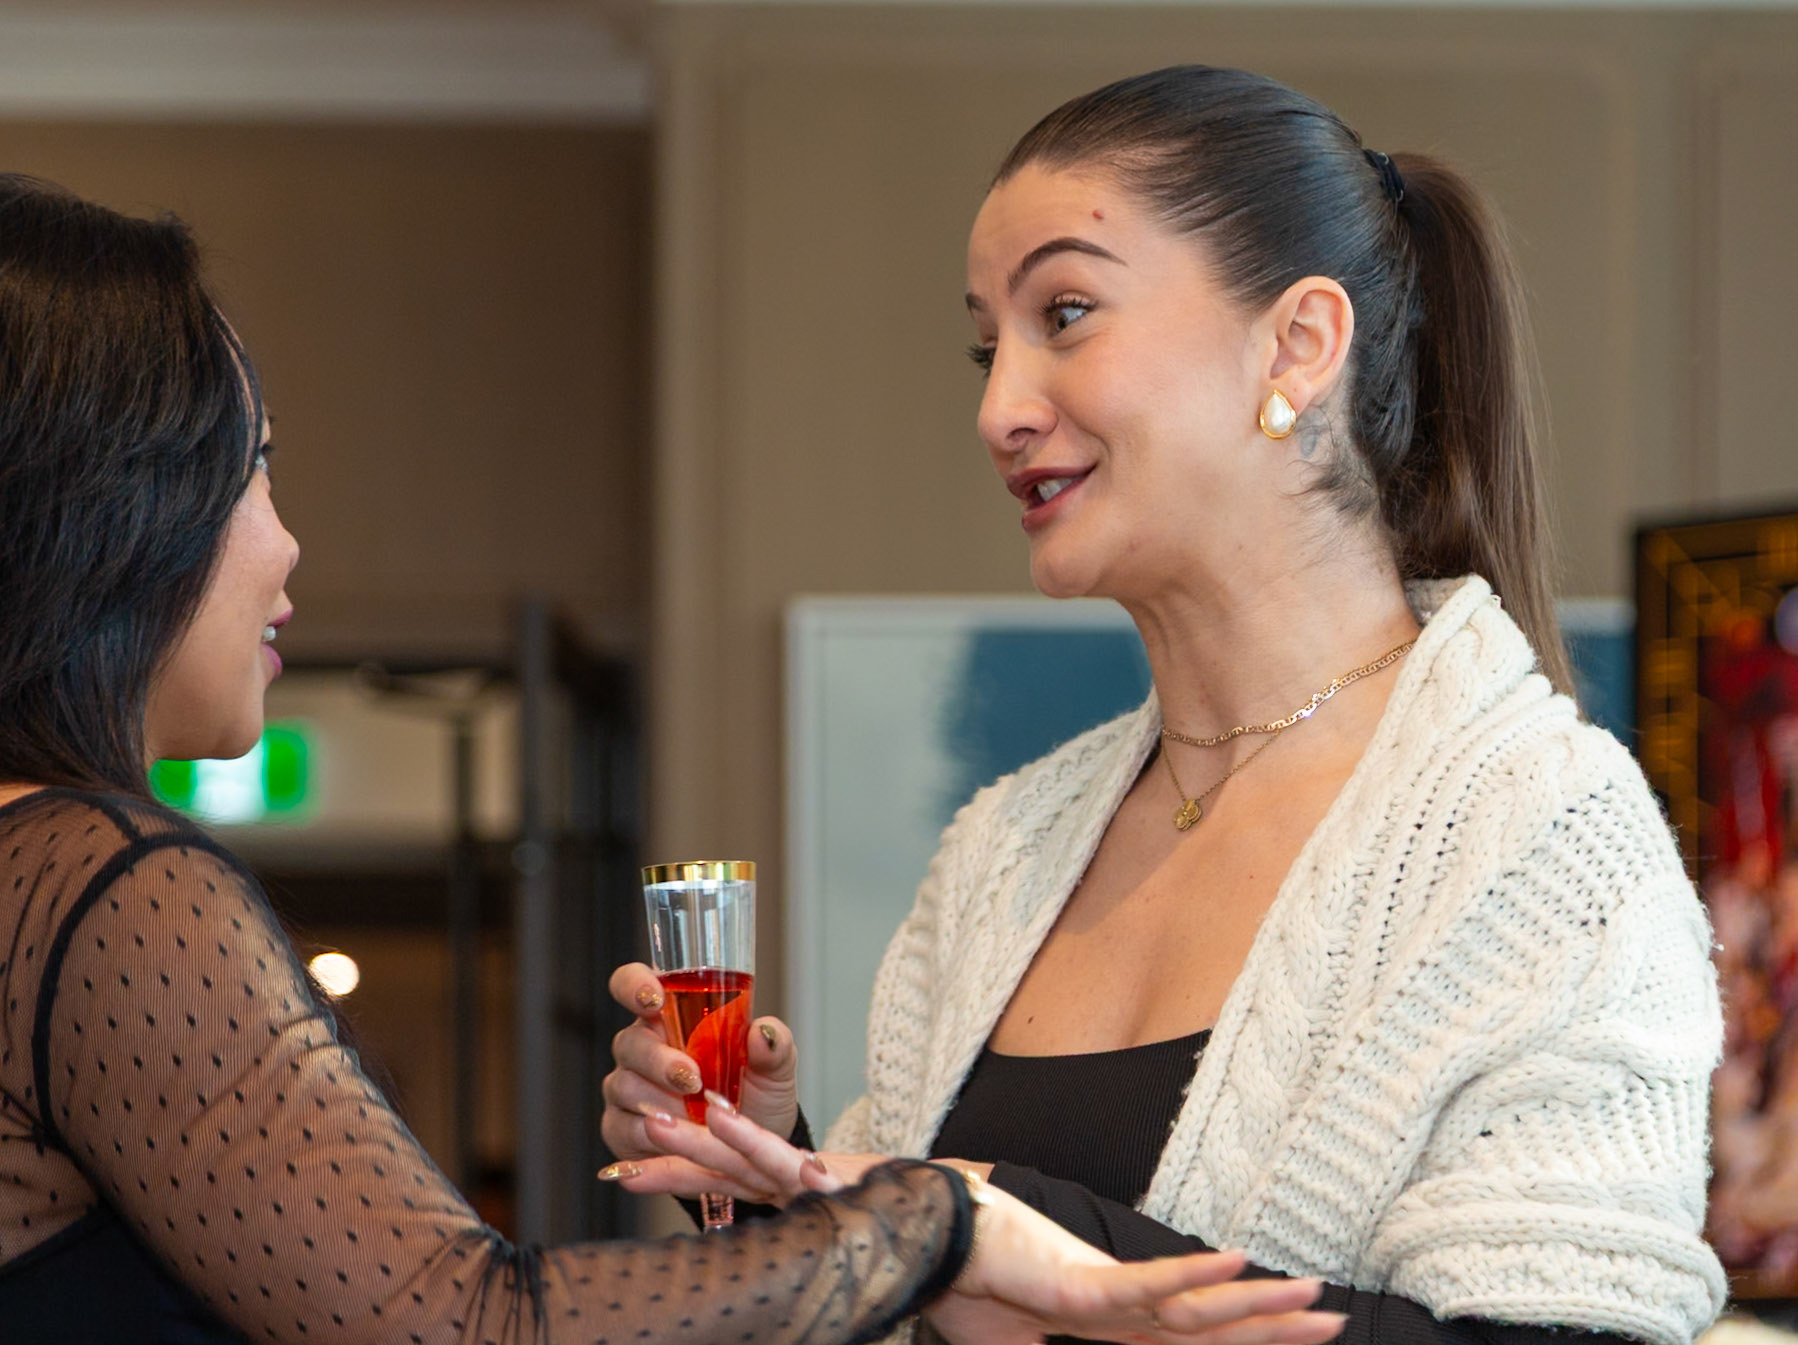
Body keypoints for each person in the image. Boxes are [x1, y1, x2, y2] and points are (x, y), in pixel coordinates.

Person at [0, 171, 1356, 1345]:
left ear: (1301, 346)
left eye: (1064, 315)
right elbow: (468, 1321)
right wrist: (932, 1220)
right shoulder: (102, 885)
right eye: (250, 469)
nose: (287, 540)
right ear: (112, 504)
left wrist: (786, 1183)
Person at [600, 65, 1727, 1345]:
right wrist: (778, 1183)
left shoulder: (1544, 839)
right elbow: (929, 1285)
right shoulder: (1003, 851)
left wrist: (1004, 1227)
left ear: (1297, 346)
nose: (998, 409)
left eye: (1065, 314)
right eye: (986, 347)